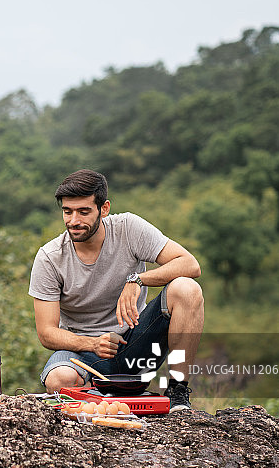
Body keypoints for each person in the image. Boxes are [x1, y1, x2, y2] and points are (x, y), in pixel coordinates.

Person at [29, 169, 203, 411]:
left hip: (138, 343)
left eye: (83, 211)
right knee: (58, 380)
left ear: (104, 208)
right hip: (84, 355)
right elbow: (46, 332)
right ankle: (107, 394)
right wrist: (91, 344)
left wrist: (138, 280)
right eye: (67, 212)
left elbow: (190, 264)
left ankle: (178, 392)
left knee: (187, 288)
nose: (73, 221)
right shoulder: (49, 257)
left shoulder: (128, 228)